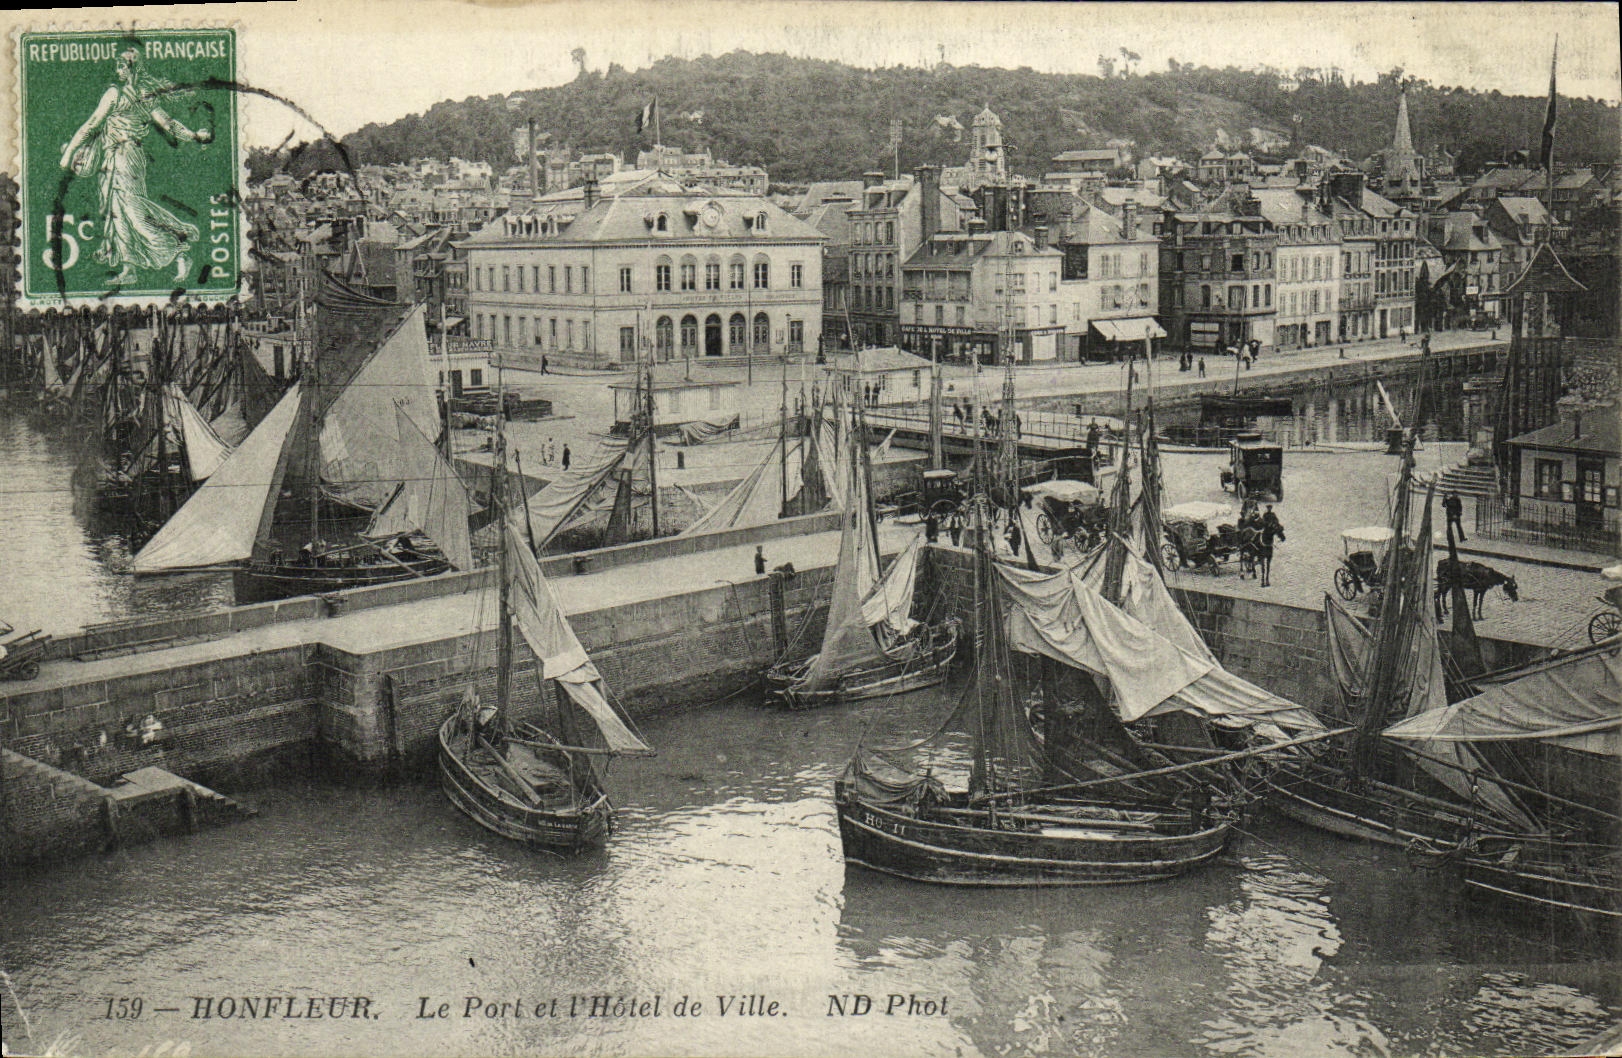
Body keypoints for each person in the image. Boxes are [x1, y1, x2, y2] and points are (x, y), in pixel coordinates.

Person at [59, 47, 209, 286]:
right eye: (117, 66)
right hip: (114, 158)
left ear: (134, 69)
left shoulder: (130, 94)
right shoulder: (124, 93)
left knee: (134, 213)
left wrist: (193, 135)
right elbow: (93, 125)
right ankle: (129, 269)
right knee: (117, 212)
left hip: (127, 157)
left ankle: (180, 248)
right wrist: (194, 135)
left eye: (122, 66)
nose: (118, 70)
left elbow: (168, 124)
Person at [1258, 509, 1285, 588]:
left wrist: (1275, 525)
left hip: (1269, 541)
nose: (1269, 509)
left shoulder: (1273, 514)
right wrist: (1268, 524)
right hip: (1265, 534)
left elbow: (1277, 522)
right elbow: (1263, 523)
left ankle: (1267, 579)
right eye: (1268, 508)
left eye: (1270, 508)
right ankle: (1263, 579)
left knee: (1268, 563)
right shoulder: (1265, 514)